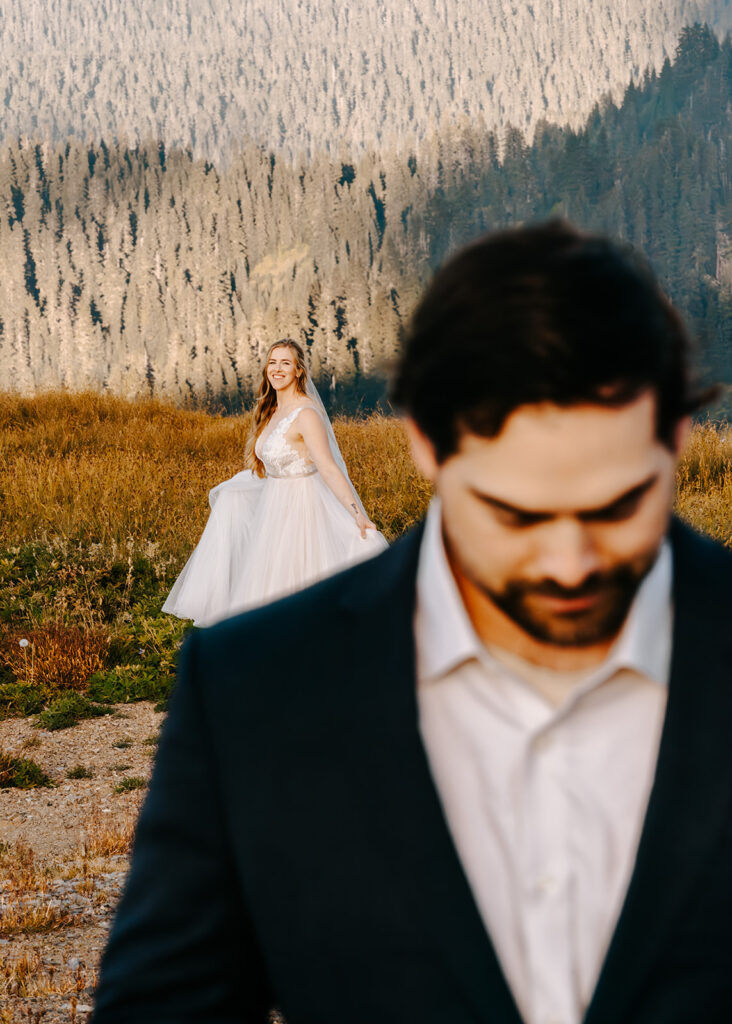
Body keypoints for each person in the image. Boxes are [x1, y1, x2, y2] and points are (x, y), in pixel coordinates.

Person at [91, 220, 732, 1024]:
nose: (569, 563)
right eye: (514, 512)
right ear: (427, 443)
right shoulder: (251, 689)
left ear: (675, 437)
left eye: (617, 505)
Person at [161, 338, 387, 626]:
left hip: (302, 506)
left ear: (298, 371)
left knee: (297, 577)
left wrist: (357, 514)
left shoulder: (306, 414)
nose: (277, 369)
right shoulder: (272, 410)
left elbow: (328, 468)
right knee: (268, 580)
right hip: (274, 504)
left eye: (285, 363)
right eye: (272, 362)